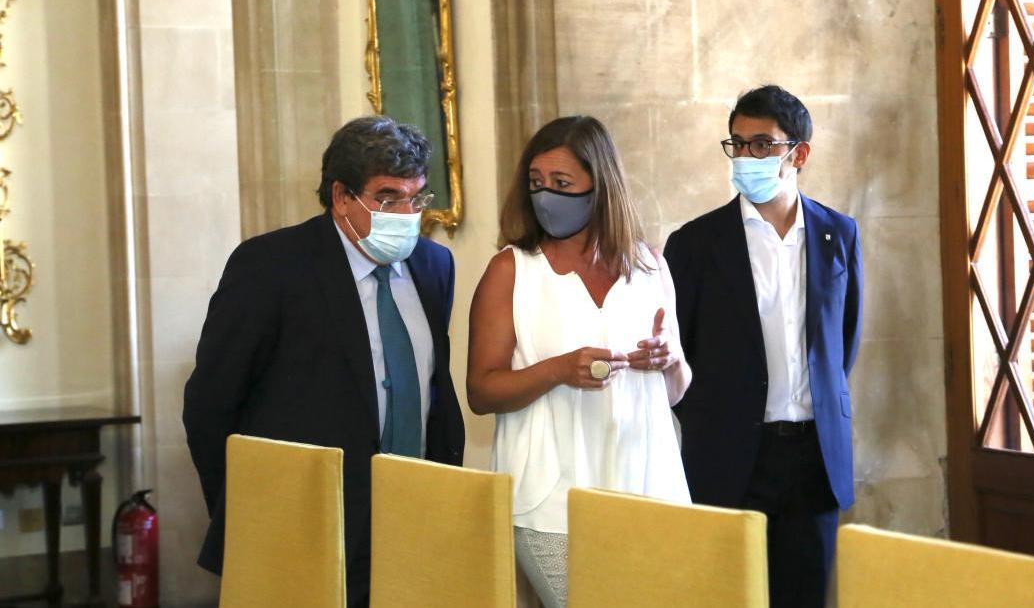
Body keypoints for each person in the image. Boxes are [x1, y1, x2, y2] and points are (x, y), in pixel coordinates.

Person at [182, 116, 464, 607]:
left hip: (411, 516)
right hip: (300, 523)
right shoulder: (270, 265)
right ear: (341, 197)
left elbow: (431, 387)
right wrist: (247, 512)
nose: (406, 214)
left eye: (416, 198)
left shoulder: (433, 265)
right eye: (387, 198)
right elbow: (210, 404)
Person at [467, 115, 691, 608]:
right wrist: (557, 370)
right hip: (551, 502)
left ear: (600, 185)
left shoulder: (649, 265)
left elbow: (675, 391)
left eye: (562, 184)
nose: (546, 196)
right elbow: (481, 391)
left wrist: (669, 361)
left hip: (646, 487)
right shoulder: (512, 271)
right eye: (537, 184)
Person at [664, 85, 863, 608]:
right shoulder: (694, 244)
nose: (747, 156)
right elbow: (680, 354)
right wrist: (712, 420)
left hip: (813, 459)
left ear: (798, 154)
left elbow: (843, 343)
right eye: (738, 144)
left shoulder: (837, 234)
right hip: (731, 458)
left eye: (762, 145)